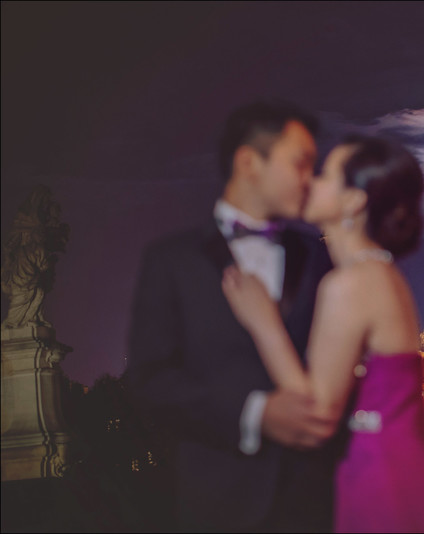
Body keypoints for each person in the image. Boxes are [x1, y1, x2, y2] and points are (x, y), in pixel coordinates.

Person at [221, 134, 424, 532]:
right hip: (401, 474)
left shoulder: (352, 283)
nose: (310, 180)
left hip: (385, 486)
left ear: (353, 201)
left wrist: (262, 322)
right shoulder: (379, 274)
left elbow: (317, 414)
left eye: (325, 175)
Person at [126, 101, 339, 532]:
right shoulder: (171, 261)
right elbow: (149, 381)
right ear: (249, 163)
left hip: (320, 503)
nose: (310, 179)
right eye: (300, 162)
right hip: (216, 508)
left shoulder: (319, 256)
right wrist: (255, 414)